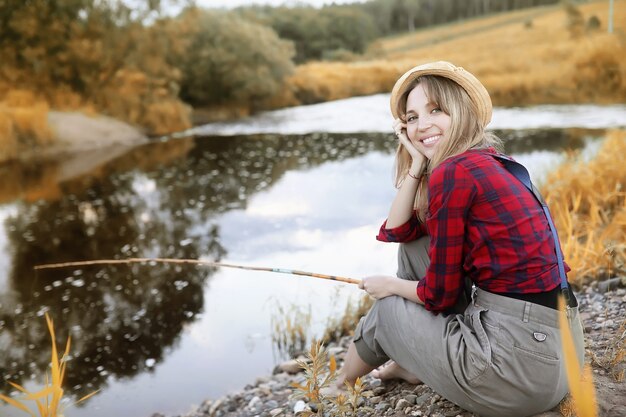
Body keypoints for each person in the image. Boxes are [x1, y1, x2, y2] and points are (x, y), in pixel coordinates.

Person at [334, 61, 585, 417]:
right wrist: (417, 163)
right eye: (412, 117)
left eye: (436, 110)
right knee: (417, 244)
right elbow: (399, 230)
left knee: (388, 309)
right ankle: (414, 357)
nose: (422, 125)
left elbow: (440, 294)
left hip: (517, 375)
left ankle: (338, 382)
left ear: (462, 112)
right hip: (564, 360)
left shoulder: (454, 172)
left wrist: (389, 286)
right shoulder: (495, 161)